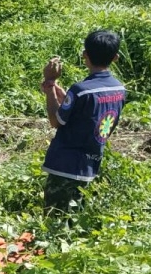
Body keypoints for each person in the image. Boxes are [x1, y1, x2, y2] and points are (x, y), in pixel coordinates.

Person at [40, 29, 126, 212]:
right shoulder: (120, 89)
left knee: (54, 219)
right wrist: (57, 88)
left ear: (85, 55)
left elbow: (56, 121)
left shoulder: (80, 90)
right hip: (90, 164)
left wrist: (49, 86)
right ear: (115, 57)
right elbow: (85, 111)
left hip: (65, 163)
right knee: (75, 218)